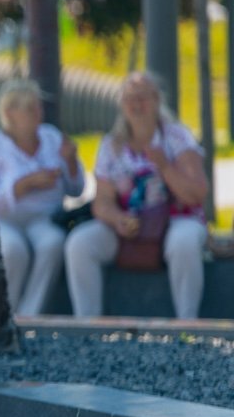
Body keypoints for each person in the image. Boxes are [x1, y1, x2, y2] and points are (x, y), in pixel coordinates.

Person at [64, 72, 210, 318]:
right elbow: (102, 202)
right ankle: (87, 324)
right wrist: (118, 219)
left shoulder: (177, 137)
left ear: (157, 101)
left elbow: (197, 194)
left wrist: (164, 166)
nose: (136, 104)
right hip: (131, 227)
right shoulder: (111, 145)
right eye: (129, 98)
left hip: (177, 220)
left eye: (142, 97)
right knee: (80, 242)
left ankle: (188, 323)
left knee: (183, 241)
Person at [0, 79, 85, 316]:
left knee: (52, 243)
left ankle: (30, 314)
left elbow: (76, 189)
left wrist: (71, 161)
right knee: (13, 250)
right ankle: (5, 313)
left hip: (45, 217)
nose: (38, 113)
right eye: (30, 108)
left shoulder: (51, 137)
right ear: (10, 112)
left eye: (39, 107)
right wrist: (26, 184)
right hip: (5, 220)